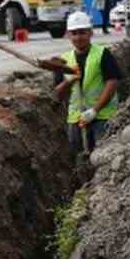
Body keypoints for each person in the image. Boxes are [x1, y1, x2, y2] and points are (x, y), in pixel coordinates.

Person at [53, 12, 121, 153]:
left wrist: (95, 110)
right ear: (68, 35)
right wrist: (69, 81)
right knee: (76, 154)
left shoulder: (102, 54)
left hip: (102, 115)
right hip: (76, 118)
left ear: (90, 33)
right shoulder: (64, 60)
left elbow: (112, 82)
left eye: (82, 32)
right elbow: (57, 93)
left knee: (101, 153)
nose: (78, 37)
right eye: (74, 33)